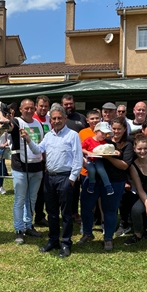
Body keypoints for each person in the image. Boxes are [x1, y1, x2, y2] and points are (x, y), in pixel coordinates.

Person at [20, 104, 83, 258]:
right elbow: (38, 150)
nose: (56, 121)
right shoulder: (48, 135)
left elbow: (78, 159)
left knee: (66, 214)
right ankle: (53, 240)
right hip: (50, 178)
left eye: (59, 118)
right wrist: (28, 139)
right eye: (53, 118)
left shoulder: (73, 135)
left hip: (65, 178)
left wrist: (72, 179)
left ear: (65, 118)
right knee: (52, 212)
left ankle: (66, 243)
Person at [78, 117, 133, 251]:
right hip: (94, 179)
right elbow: (88, 152)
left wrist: (109, 156)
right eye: (114, 129)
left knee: (110, 209)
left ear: (124, 129)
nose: (116, 131)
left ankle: (108, 238)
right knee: (86, 206)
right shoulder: (104, 141)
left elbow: (124, 166)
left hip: (114, 181)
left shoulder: (128, 144)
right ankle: (87, 233)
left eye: (119, 129)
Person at [9, 99, 44, 244]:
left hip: (37, 166)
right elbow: (8, 126)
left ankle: (28, 225)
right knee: (20, 199)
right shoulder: (16, 122)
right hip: (21, 167)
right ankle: (19, 229)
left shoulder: (39, 124)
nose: (29, 111)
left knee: (32, 199)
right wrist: (8, 117)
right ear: (21, 110)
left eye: (31, 108)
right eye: (26, 108)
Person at [61, 94, 87, 225]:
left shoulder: (81, 118)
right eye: (66, 104)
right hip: (63, 160)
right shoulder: (61, 119)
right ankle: (66, 213)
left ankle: (75, 213)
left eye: (70, 103)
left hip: (79, 159)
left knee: (76, 189)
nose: (68, 106)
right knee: (65, 190)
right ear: (62, 105)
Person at [32, 95, 51, 227]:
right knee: (34, 192)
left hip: (47, 161)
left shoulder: (50, 120)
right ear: (36, 106)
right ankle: (29, 219)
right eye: (41, 106)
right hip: (33, 160)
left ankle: (40, 216)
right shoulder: (31, 119)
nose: (43, 108)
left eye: (46, 106)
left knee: (44, 191)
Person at [82, 122, 114, 195]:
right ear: (96, 131)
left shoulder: (104, 142)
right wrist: (87, 152)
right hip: (89, 159)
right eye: (102, 133)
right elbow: (82, 148)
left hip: (98, 159)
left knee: (101, 170)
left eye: (106, 134)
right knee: (91, 170)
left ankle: (108, 185)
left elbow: (107, 150)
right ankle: (92, 183)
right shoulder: (89, 140)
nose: (104, 136)